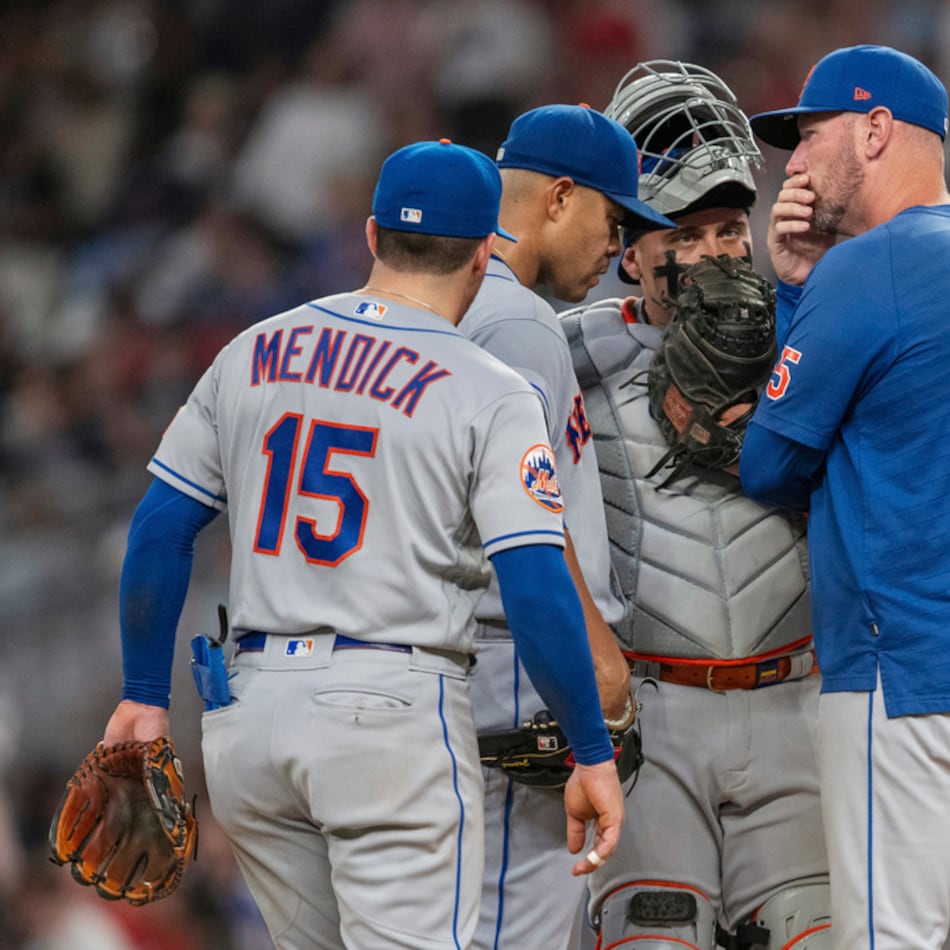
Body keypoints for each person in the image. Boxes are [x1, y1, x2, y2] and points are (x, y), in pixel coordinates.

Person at [98, 138, 626, 950]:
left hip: (248, 720)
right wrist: (590, 746)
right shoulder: (488, 389)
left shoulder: (253, 349)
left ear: (374, 236)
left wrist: (142, 692)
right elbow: (533, 580)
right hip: (388, 718)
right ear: (486, 254)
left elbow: (160, 528)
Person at [560, 61, 832, 948]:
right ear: (627, 245)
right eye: (685, 232)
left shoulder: (813, 334)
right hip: (653, 717)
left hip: (794, 698)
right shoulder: (564, 359)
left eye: (728, 228)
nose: (714, 252)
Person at [740, 44, 950, 950]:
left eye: (810, 134)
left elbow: (768, 464)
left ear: (873, 130)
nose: (793, 163)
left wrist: (796, 296)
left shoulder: (870, 269)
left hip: (899, 673)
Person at [457, 103, 674, 950]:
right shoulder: (516, 321)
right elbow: (523, 529)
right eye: (611, 218)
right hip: (517, 670)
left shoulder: (440, 301)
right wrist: (599, 668)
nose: (618, 249)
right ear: (558, 197)